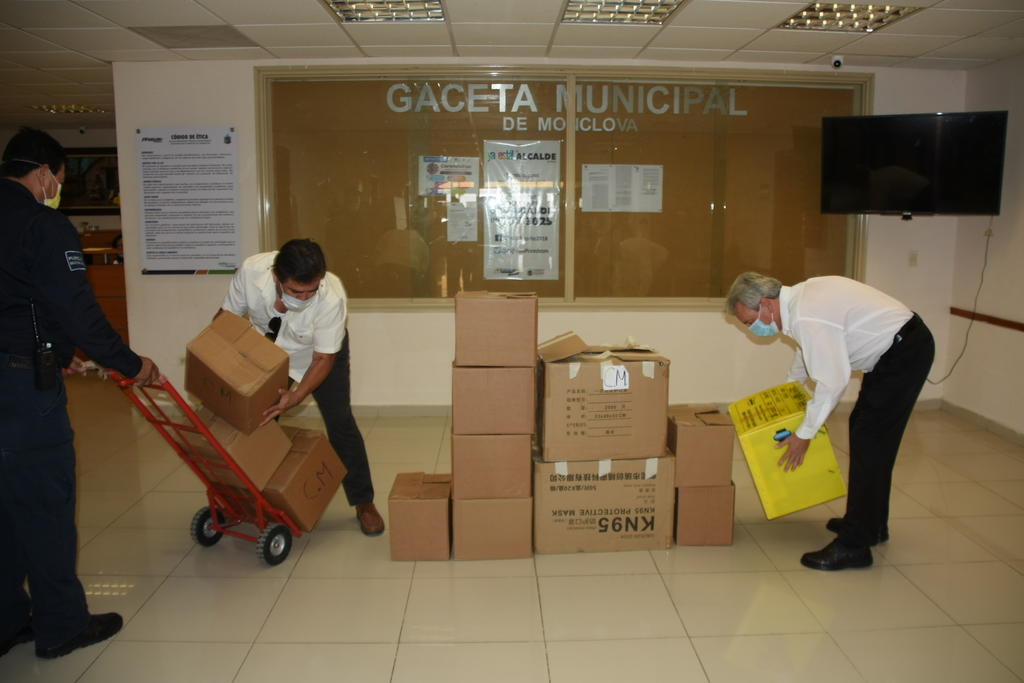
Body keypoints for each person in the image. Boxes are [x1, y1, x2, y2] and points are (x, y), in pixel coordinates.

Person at [0, 127, 163, 659]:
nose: (56, 189)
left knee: (3, 506)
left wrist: (55, 348)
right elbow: (77, 309)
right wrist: (131, 364)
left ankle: (7, 620)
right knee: (44, 506)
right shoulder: (44, 225)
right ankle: (62, 626)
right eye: (58, 179)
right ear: (44, 173)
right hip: (23, 392)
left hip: (17, 365)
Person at [725, 272, 934, 571]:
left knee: (870, 442)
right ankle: (870, 525)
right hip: (896, 350)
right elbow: (807, 352)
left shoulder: (807, 314)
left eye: (749, 322)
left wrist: (804, 434)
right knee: (866, 435)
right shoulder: (798, 303)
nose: (752, 329)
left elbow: (832, 382)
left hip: (903, 353)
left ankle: (855, 545)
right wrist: (789, 390)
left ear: (767, 305)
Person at [218, 239, 384, 536]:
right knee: (258, 420)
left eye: (311, 290)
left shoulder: (331, 296)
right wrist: (216, 360)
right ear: (276, 277)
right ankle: (248, 497)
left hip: (321, 353)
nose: (305, 298)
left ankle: (364, 502)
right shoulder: (252, 272)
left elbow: (323, 358)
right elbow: (226, 320)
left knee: (340, 421)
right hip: (271, 348)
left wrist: (296, 395)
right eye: (296, 291)